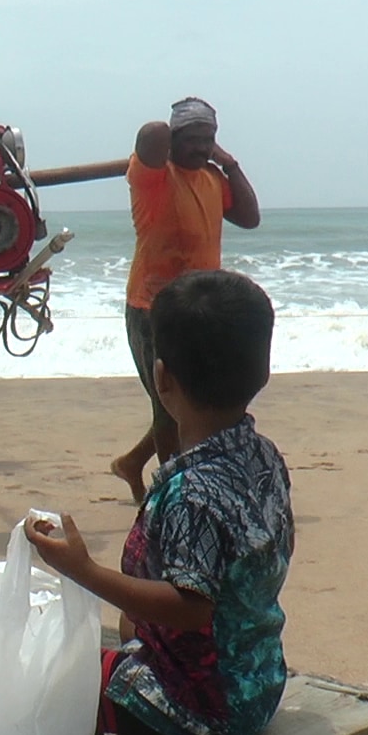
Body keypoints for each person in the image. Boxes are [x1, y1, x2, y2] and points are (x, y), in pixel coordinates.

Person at [29, 270, 291, 735]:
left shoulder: (193, 492)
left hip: (205, 706)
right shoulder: (263, 456)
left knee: (45, 689)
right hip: (259, 683)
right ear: (263, 369)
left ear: (161, 376)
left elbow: (190, 609)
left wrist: (82, 570)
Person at [110, 97, 260, 503]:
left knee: (195, 401)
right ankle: (172, 495)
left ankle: (132, 463)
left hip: (201, 306)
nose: (200, 148)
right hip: (153, 307)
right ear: (174, 141)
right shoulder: (152, 178)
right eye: (192, 140)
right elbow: (153, 134)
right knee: (169, 407)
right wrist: (181, 131)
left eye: (207, 140)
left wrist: (228, 163)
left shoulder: (212, 178)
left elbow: (250, 217)